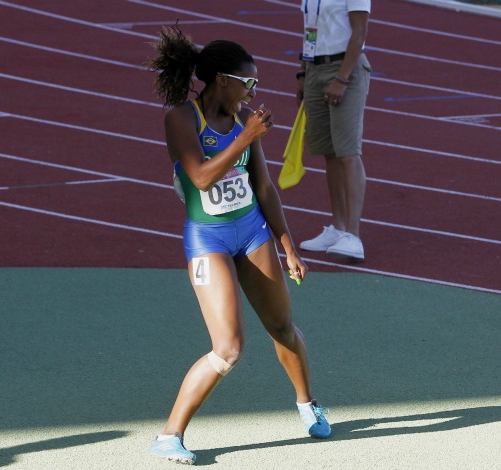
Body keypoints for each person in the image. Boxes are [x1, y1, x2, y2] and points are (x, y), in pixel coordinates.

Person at [146, 24, 331, 465]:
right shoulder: (182, 118)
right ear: (222, 80)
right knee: (228, 348)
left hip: (251, 233)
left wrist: (288, 247)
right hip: (207, 238)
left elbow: (264, 188)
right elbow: (202, 176)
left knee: (283, 326)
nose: (253, 92)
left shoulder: (247, 120)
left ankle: (307, 404)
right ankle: (170, 436)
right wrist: (246, 139)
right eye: (248, 82)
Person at [296, 0, 372, 261]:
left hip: (344, 70)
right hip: (315, 70)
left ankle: (353, 234)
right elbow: (310, 30)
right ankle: (338, 227)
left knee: (348, 153)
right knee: (329, 152)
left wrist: (341, 78)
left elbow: (360, 32)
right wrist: (303, 74)